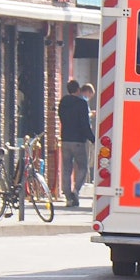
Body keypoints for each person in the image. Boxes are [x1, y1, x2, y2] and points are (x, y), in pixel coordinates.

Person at [57, 79, 93, 208]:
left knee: (67, 169)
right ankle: (76, 191)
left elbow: (61, 118)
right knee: (83, 167)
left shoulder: (62, 103)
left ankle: (68, 197)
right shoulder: (81, 104)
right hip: (78, 141)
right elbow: (85, 124)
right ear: (78, 90)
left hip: (65, 139)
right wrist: (93, 139)